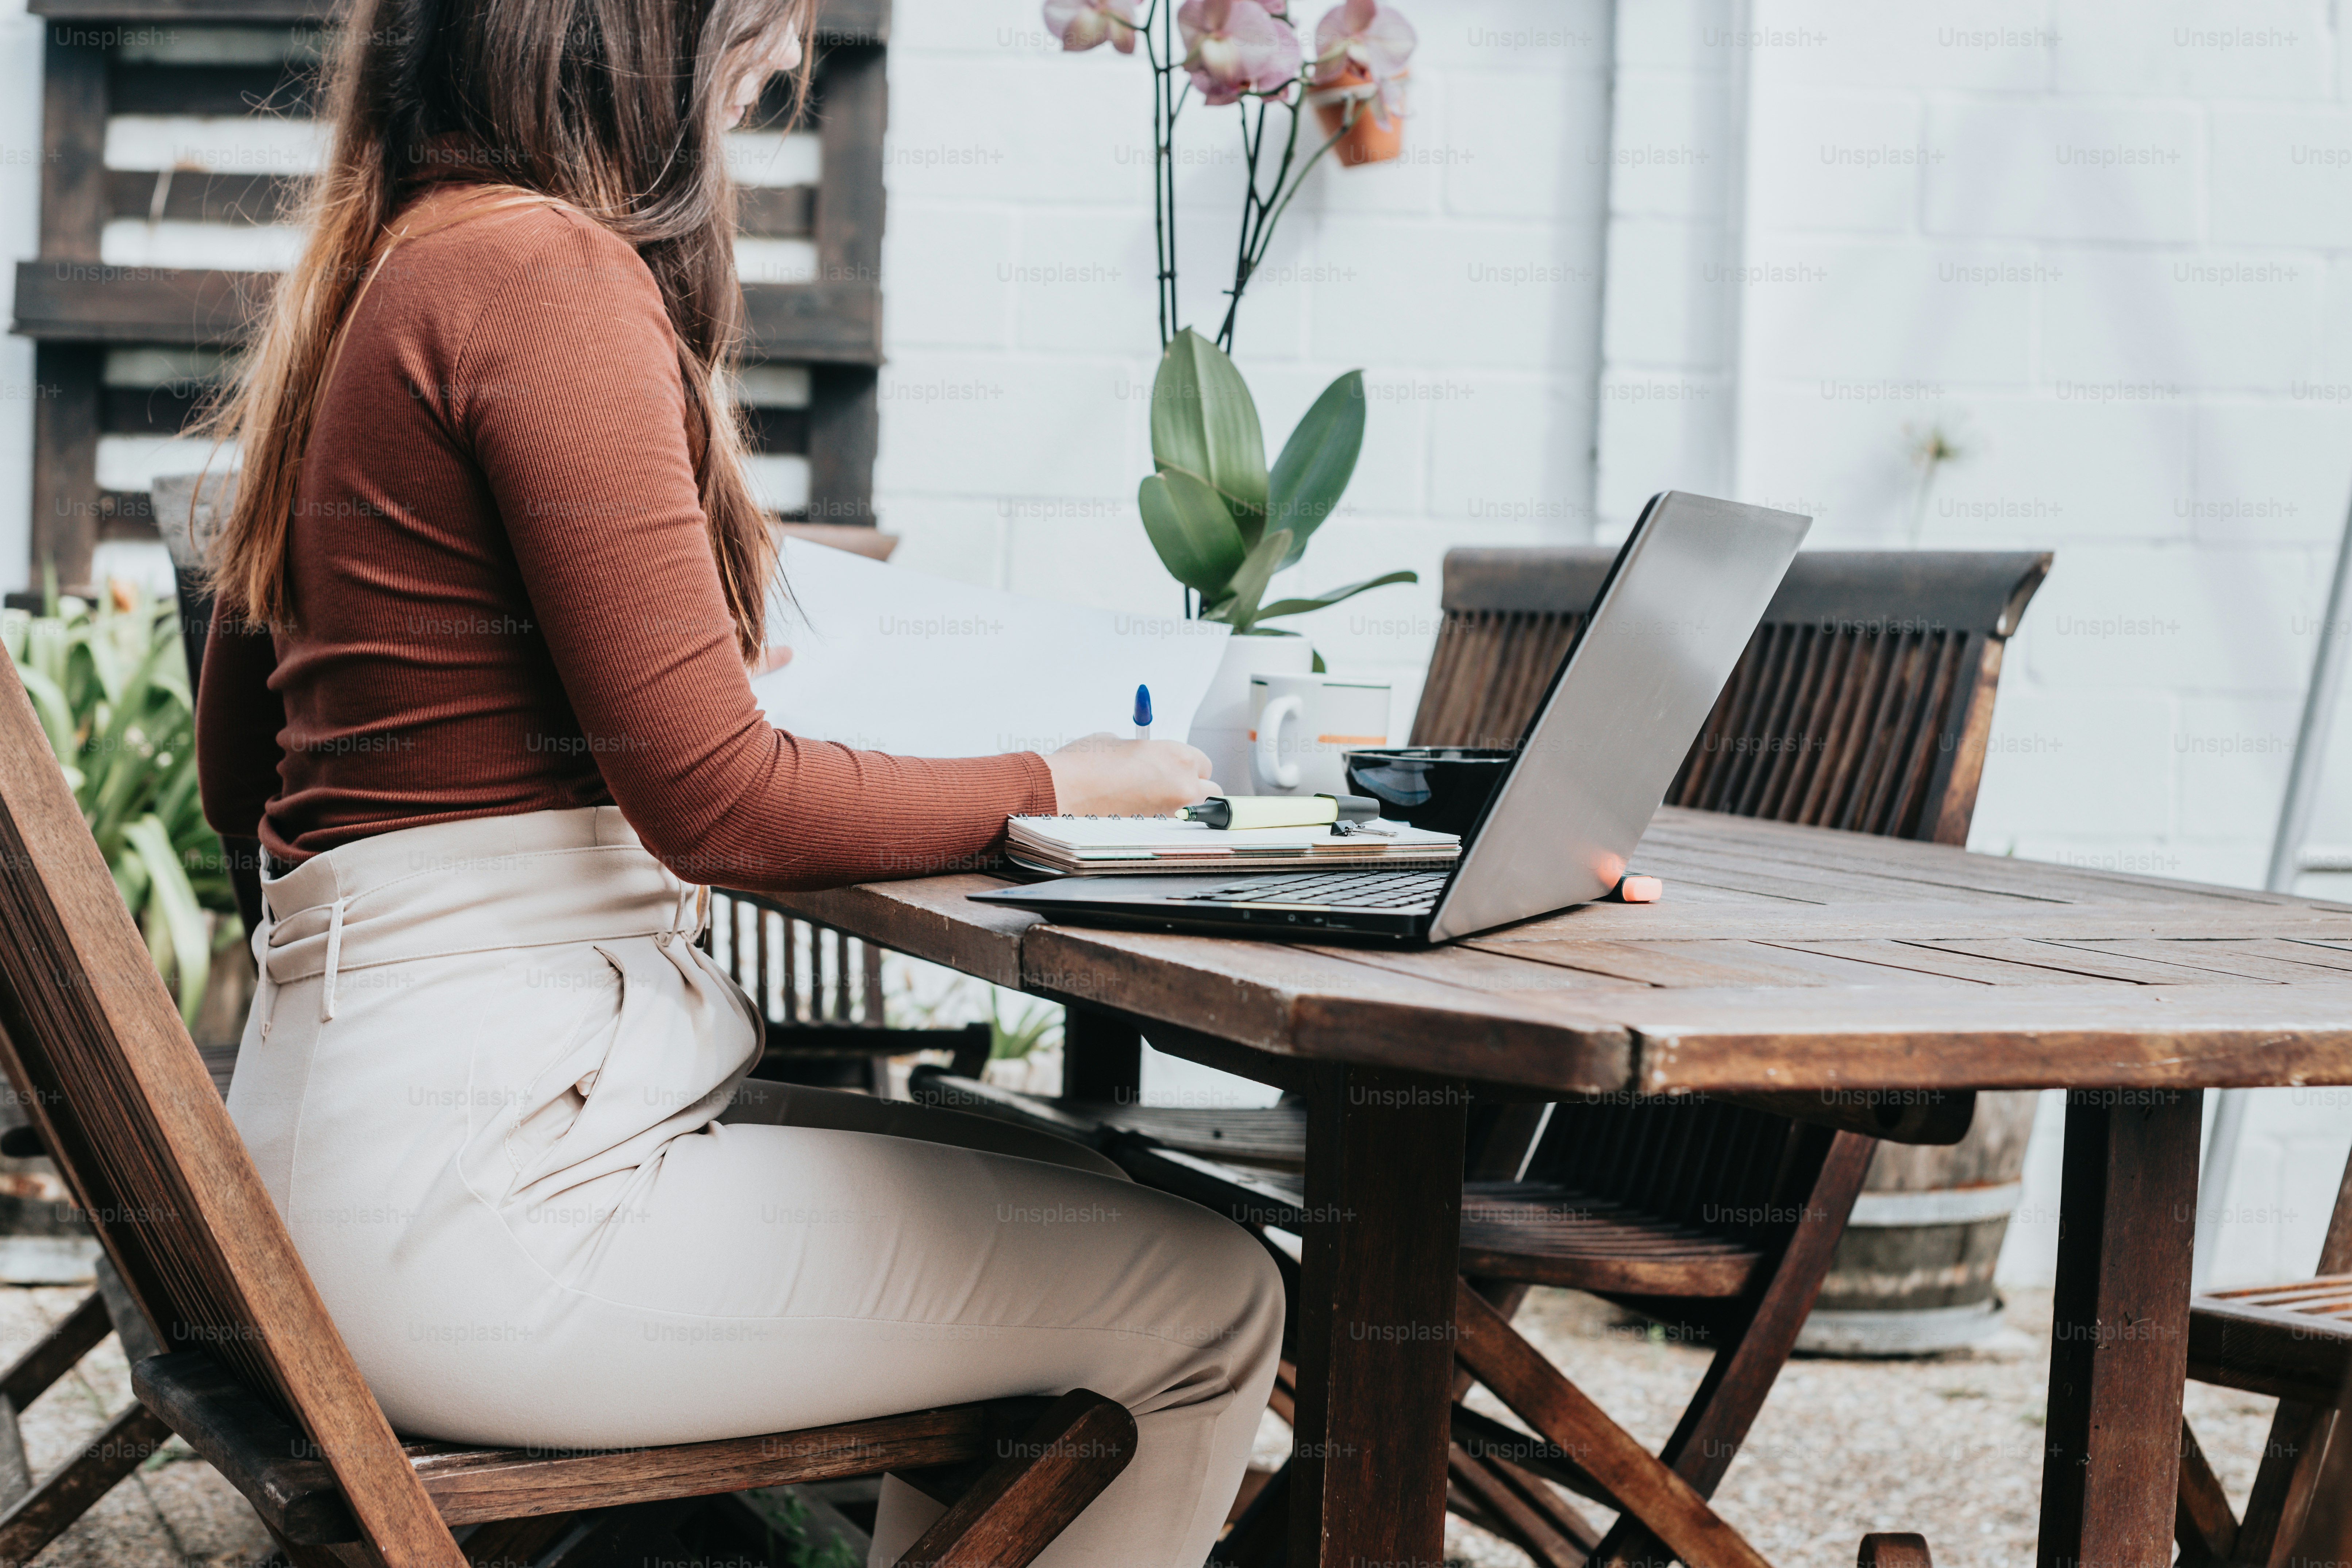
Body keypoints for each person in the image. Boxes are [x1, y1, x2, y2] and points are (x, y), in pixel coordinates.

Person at [188, 0, 1283, 1562]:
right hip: (488, 1213)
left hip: (342, 1169)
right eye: (760, 31)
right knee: (1206, 1292)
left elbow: (248, 777)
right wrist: (1066, 775)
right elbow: (720, 803)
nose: (779, 71)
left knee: (1037, 1173)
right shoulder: (542, 272)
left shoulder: (381, 270)